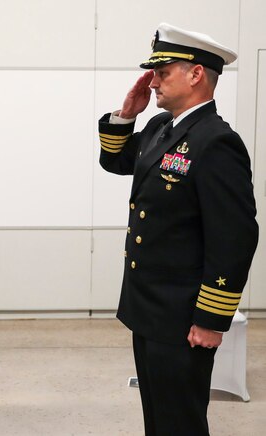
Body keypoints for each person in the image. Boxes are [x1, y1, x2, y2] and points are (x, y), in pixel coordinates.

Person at [98, 23, 258, 435]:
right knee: (158, 417)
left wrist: (211, 319)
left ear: (196, 74)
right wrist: (125, 116)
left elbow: (235, 237)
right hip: (148, 308)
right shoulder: (158, 128)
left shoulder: (216, 141)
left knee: (180, 422)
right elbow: (115, 162)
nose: (153, 82)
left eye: (163, 71)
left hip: (182, 316)